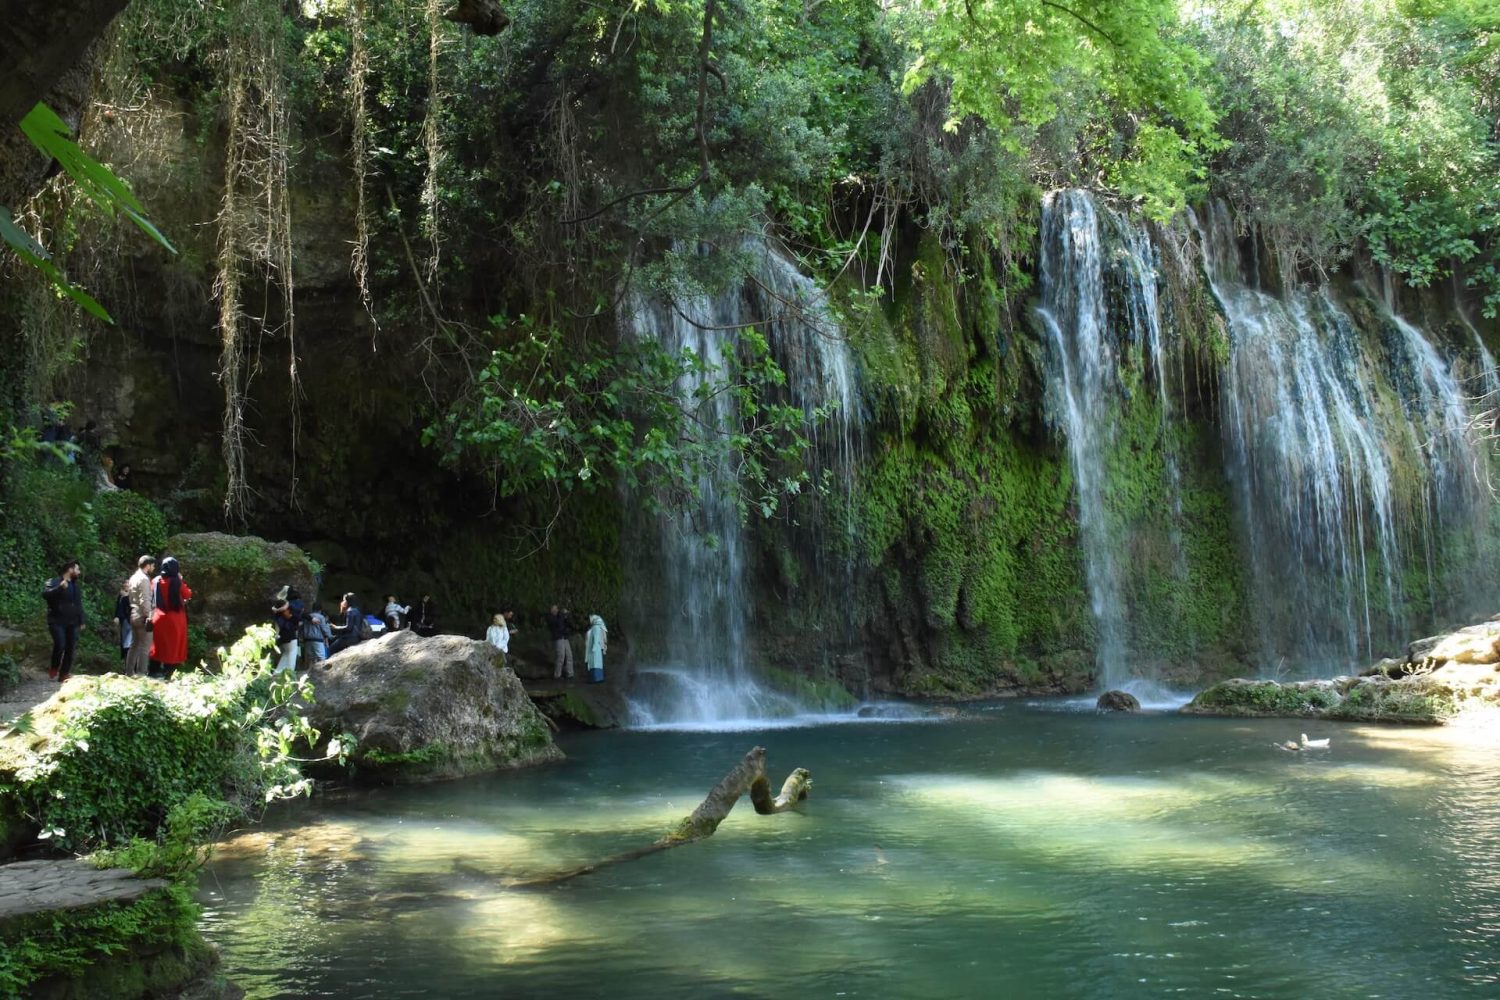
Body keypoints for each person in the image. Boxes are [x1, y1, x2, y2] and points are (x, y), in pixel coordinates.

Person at [149, 556, 193, 680]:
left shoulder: (156, 581)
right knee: (173, 646)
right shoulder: (177, 581)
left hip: (158, 616)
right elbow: (187, 594)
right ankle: (168, 673)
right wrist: (181, 580)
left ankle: (153, 671)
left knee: (157, 645)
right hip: (176, 619)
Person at [43, 560, 84, 682]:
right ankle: (54, 667)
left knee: (70, 648)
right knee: (60, 644)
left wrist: (81, 620)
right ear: (70, 570)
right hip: (56, 621)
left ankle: (64, 674)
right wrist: (60, 588)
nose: (79, 572)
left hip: (72, 622)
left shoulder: (75, 587)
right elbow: (46, 595)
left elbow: (78, 605)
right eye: (77, 569)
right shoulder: (53, 582)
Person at [124, 555, 156, 676]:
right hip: (142, 614)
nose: (153, 568)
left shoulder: (133, 577)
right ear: (147, 566)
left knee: (134, 644)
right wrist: (149, 615)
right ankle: (142, 673)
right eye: (152, 565)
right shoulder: (144, 579)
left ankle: (129, 672)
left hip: (133, 613)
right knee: (145, 645)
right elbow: (145, 600)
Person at [271, 600, 300, 675]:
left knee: (286, 654)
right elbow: (297, 615)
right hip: (290, 636)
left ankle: (277, 672)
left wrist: (276, 609)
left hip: (282, 637)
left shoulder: (277, 615)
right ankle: (289, 673)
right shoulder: (287, 616)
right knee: (292, 654)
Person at [546, 604, 575, 680]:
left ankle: (570, 673)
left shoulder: (560, 616)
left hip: (565, 637)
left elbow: (568, 623)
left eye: (556, 608)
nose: (555, 610)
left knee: (569, 655)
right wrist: (562, 615)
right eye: (554, 609)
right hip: (558, 638)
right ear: (551, 610)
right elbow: (557, 624)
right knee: (561, 656)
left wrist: (567, 615)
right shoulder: (550, 617)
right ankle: (557, 675)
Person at [584, 614, 608, 683]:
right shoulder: (597, 627)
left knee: (594, 664)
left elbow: (596, 638)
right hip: (596, 648)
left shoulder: (595, 628)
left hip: (594, 649)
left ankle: (595, 679)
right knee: (596, 664)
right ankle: (598, 678)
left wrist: (593, 647)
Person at [114, 583, 132, 661]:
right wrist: (117, 616)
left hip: (133, 620)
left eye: (128, 583)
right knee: (125, 642)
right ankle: (126, 663)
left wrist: (127, 596)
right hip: (125, 620)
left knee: (130, 642)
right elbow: (119, 607)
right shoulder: (121, 596)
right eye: (125, 583)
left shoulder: (133, 595)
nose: (126, 585)